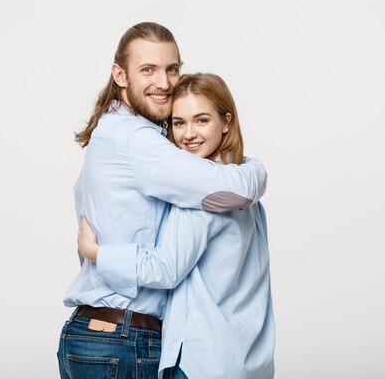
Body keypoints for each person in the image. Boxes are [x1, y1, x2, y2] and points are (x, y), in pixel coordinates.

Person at [57, 23, 267, 379]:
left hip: (100, 335)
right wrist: (256, 170)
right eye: (148, 69)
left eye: (172, 68)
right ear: (120, 75)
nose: (165, 82)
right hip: (122, 341)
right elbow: (235, 193)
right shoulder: (139, 143)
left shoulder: (110, 131)